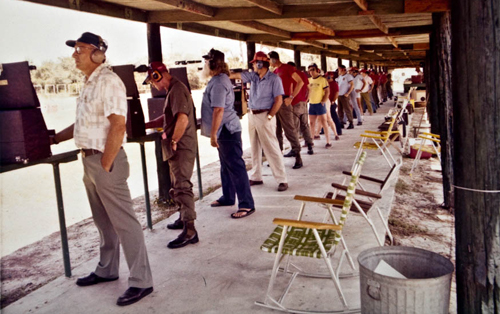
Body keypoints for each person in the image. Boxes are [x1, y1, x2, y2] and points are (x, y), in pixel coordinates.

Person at [52, 32, 153, 306]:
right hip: (90, 159)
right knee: (103, 221)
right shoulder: (89, 83)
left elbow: (118, 125)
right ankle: (108, 269)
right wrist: (55, 137)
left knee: (124, 222)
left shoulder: (108, 81)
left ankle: (141, 281)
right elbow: (84, 124)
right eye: (75, 49)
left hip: (105, 160)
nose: (74, 54)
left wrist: (106, 164)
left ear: (98, 53)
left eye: (80, 49)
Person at [143, 61, 199, 249]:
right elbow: (169, 117)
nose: (153, 85)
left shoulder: (176, 90)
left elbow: (182, 118)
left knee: (182, 186)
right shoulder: (172, 91)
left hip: (181, 145)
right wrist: (145, 125)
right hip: (177, 145)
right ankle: (183, 218)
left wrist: (174, 140)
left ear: (158, 76)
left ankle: (190, 230)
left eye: (153, 81)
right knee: (177, 185)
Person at [200, 48, 255, 218]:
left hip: (226, 130)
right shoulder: (220, 79)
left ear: (213, 64)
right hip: (226, 129)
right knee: (226, 166)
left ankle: (246, 204)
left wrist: (214, 133)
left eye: (206, 62)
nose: (204, 65)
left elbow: (218, 110)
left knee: (235, 166)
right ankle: (229, 196)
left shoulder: (217, 82)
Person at [229, 51, 288, 192]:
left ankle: (282, 179)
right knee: (254, 147)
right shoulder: (253, 76)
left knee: (271, 148)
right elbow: (236, 76)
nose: (254, 66)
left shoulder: (274, 79)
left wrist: (270, 116)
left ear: (261, 63)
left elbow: (278, 100)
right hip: (252, 115)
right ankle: (256, 176)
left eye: (255, 63)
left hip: (265, 115)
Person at [268, 51, 304, 169]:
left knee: (289, 129)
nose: (268, 63)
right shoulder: (275, 71)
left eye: (269, 60)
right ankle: (277, 156)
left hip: (284, 101)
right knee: (276, 130)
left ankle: (298, 155)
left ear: (273, 59)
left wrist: (291, 97)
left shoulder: (287, 68)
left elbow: (300, 82)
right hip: (275, 101)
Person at [287, 61, 314, 155]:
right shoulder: (302, 74)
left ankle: (295, 149)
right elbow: (309, 88)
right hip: (303, 103)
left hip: (295, 103)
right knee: (305, 125)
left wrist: (290, 98)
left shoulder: (290, 74)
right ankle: (310, 145)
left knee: (293, 127)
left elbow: (290, 88)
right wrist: (307, 99)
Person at [307, 63, 332, 147]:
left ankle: (328, 141)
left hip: (319, 103)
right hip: (311, 103)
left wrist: (323, 100)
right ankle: (311, 141)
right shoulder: (309, 80)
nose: (311, 72)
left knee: (324, 122)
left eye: (313, 69)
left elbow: (327, 91)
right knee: (311, 123)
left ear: (317, 70)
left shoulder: (322, 80)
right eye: (310, 70)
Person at [336, 65, 355, 129]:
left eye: (339, 69)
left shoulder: (348, 76)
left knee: (347, 109)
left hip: (345, 95)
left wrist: (348, 93)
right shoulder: (340, 77)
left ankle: (351, 122)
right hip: (339, 95)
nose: (338, 70)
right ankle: (341, 122)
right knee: (340, 110)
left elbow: (352, 85)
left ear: (343, 69)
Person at [325, 71, 342, 139]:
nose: (327, 77)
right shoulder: (326, 83)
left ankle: (338, 130)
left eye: (328, 76)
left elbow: (336, 93)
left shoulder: (334, 83)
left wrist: (333, 100)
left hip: (331, 102)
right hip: (326, 102)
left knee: (334, 117)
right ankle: (323, 130)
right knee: (324, 117)